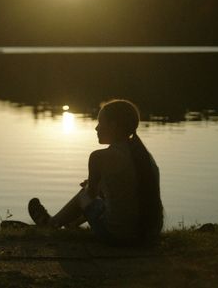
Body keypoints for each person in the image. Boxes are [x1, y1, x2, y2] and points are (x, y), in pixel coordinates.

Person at [28, 99, 163, 246]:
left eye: (100, 123)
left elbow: (91, 195)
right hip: (149, 236)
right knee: (95, 195)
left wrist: (95, 187)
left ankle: (50, 224)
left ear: (113, 126)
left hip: (118, 238)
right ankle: (69, 225)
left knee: (84, 194)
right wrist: (102, 186)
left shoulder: (99, 157)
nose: (96, 128)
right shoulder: (144, 157)